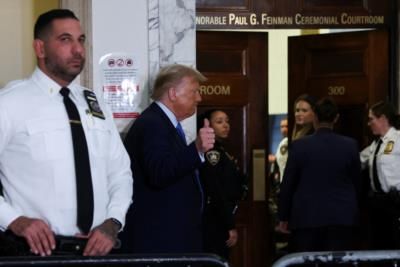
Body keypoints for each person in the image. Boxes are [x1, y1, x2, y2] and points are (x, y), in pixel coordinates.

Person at [0, 9, 133, 257]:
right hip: (34, 253)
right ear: (40, 49)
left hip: (98, 251)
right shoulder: (10, 104)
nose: (78, 50)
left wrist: (113, 221)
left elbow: (120, 172)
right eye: (65, 39)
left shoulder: (96, 105)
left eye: (81, 39)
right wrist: (14, 220)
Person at [121, 64, 215, 253]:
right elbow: (160, 172)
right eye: (194, 91)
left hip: (171, 237)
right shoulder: (152, 124)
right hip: (159, 240)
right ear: (173, 93)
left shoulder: (163, 123)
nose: (199, 97)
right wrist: (196, 148)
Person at [278, 97, 361, 252]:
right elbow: (357, 182)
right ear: (336, 118)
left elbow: (288, 184)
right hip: (341, 218)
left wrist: (283, 216)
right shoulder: (350, 145)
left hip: (306, 218)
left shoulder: (299, 146)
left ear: (315, 117)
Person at [198, 109, 247, 259]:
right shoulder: (213, 153)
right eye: (219, 122)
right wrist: (229, 225)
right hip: (215, 219)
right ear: (208, 127)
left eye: (227, 121)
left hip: (219, 216)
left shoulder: (222, 150)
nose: (225, 125)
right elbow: (217, 191)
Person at [360, 101, 400, 249]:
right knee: (379, 245)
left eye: (371, 119)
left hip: (396, 201)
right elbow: (358, 160)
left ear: (383, 118)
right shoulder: (375, 145)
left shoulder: (398, 139)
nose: (369, 123)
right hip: (377, 203)